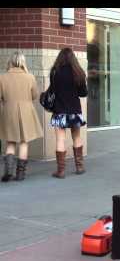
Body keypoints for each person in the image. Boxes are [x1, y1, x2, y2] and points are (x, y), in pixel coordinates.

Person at [0, 52, 43, 182]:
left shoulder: (2, 77)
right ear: (23, 62)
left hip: (8, 111)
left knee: (10, 141)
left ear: (10, 62)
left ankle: (8, 171)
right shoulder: (29, 77)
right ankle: (20, 174)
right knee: (24, 141)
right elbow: (35, 95)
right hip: (26, 111)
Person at [50, 48, 88, 179]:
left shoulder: (55, 72)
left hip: (59, 110)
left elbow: (52, 90)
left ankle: (60, 171)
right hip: (74, 111)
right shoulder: (78, 72)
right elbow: (84, 93)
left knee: (60, 139)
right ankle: (80, 167)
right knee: (76, 137)